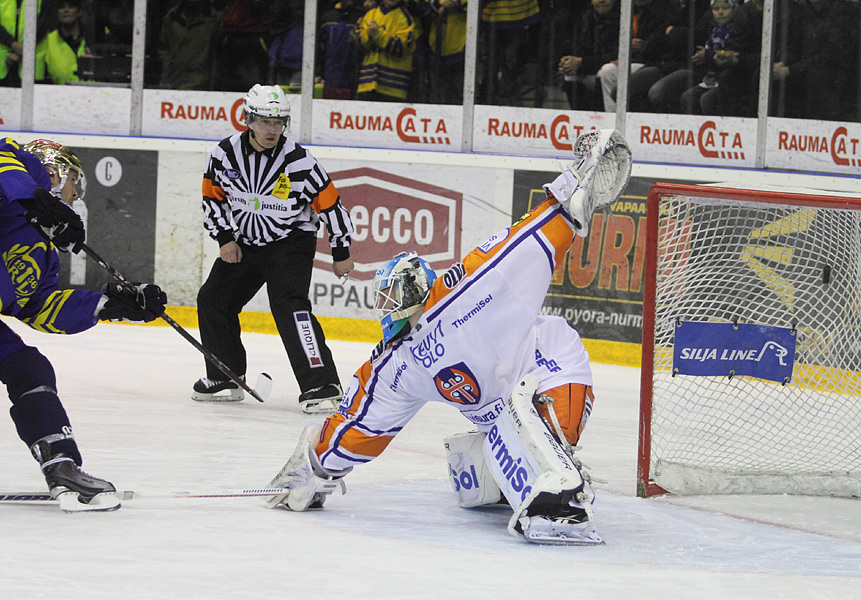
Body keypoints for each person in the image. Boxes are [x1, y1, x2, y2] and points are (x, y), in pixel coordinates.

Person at [266, 130, 633, 545]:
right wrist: (317, 466)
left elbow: (520, 243)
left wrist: (568, 198)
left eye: (394, 295)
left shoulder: (463, 293)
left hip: (546, 366)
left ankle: (562, 499)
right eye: (383, 299)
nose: (388, 307)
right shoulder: (397, 363)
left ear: (418, 289)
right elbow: (363, 422)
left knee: (549, 442)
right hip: (500, 410)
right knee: (484, 479)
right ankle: (524, 472)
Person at [0, 137, 167, 511]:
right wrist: (34, 199)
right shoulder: (16, 171)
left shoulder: (41, 250)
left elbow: (40, 308)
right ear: (54, 173)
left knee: (29, 369)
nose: (76, 196)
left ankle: (61, 466)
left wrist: (110, 304)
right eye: (74, 182)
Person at [193, 84, 354, 414]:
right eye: (265, 122)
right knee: (213, 298)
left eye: (279, 122)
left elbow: (331, 205)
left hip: (291, 243)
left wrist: (341, 251)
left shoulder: (299, 161)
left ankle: (322, 384)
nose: (272, 130)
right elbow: (212, 197)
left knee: (290, 307)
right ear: (249, 119)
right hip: (247, 241)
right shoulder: (225, 155)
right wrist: (225, 238)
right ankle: (226, 374)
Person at [557, 0, 620, 112]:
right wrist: (569, 62)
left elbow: (615, 55)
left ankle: (605, 118)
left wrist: (582, 62)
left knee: (605, 72)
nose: (602, 1)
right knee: (570, 74)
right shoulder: (585, 18)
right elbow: (578, 50)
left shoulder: (623, 19)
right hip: (592, 67)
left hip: (610, 70)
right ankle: (580, 118)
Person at [356, 0, 420, 101]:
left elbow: (400, 48)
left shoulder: (405, 18)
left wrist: (378, 35)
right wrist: (368, 34)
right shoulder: (370, 14)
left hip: (393, 88)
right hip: (367, 84)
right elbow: (358, 42)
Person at [678, 0, 735, 115]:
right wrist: (700, 57)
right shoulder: (715, 31)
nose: (720, 12)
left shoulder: (734, 30)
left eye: (725, 8)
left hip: (724, 79)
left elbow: (725, 56)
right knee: (687, 97)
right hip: (710, 79)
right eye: (716, 9)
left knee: (707, 100)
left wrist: (707, 55)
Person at [157, 0, 222, 90]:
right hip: (173, 83)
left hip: (202, 87)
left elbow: (221, 54)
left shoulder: (216, 21)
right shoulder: (172, 17)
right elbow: (163, 47)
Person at [39, 0, 91, 85]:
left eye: (71, 7)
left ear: (79, 12)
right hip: (57, 94)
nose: (66, 10)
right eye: (61, 7)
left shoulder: (91, 40)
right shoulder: (48, 39)